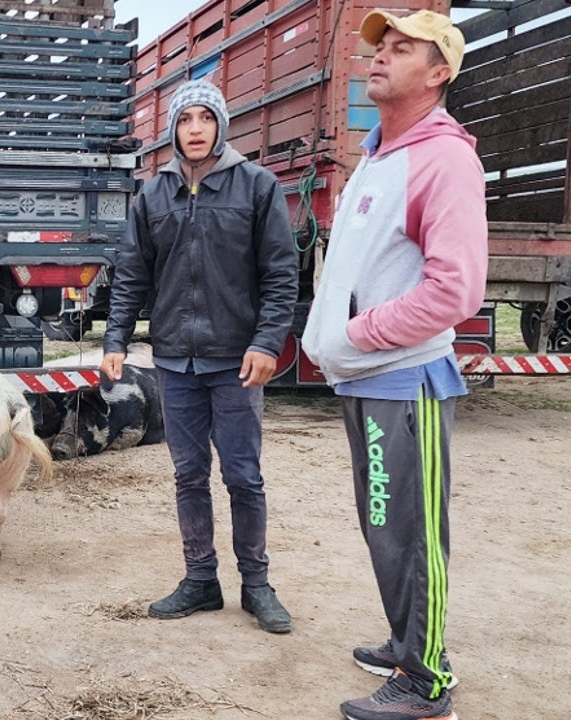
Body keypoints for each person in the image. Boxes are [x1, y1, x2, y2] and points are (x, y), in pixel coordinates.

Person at [301, 10, 484, 720]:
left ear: (438, 73)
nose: (379, 56)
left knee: (409, 534)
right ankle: (409, 641)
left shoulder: (445, 159)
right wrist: (341, 342)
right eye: (380, 46)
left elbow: (455, 289)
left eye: (402, 49)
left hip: (402, 381)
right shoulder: (379, 156)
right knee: (386, 526)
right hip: (367, 375)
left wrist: (356, 333)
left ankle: (425, 680)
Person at [101, 80, 298, 634]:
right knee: (189, 475)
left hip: (236, 361)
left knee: (243, 476)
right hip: (175, 362)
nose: (194, 128)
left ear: (220, 126)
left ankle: (256, 585)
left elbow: (281, 275)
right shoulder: (152, 196)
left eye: (204, 118)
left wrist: (265, 343)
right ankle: (200, 580)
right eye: (184, 119)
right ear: (172, 130)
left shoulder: (257, 187)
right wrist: (116, 339)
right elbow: (132, 274)